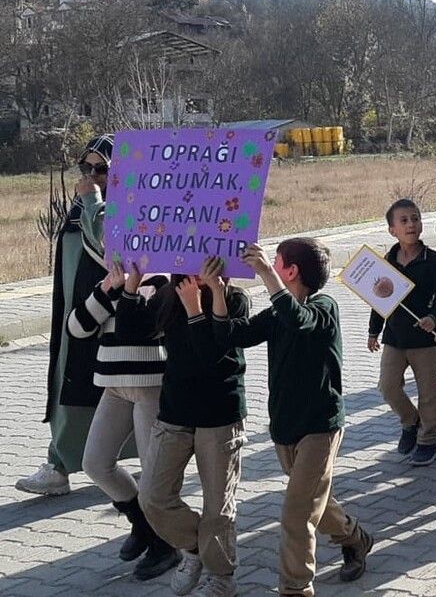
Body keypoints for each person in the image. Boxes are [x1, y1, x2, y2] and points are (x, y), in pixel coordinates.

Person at [211, 238, 374, 595]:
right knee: (314, 500)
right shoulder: (276, 312)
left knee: (296, 515)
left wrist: (266, 274)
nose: (268, 264)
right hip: (285, 428)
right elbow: (230, 335)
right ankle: (355, 537)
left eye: (276, 261)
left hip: (320, 427)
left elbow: (299, 320)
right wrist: (217, 292)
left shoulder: (323, 306)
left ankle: (295, 589)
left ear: (290, 270)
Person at [123, 257, 251, 597]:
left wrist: (197, 307)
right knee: (152, 496)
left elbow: (215, 359)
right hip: (175, 414)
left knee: (217, 507)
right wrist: (132, 285)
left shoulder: (234, 299)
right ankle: (196, 550)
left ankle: (222, 578)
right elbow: (132, 330)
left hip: (219, 416)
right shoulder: (167, 294)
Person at [69, 260, 178, 581]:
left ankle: (165, 543)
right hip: (113, 387)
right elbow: (77, 327)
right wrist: (106, 289)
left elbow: (143, 327)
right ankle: (141, 523)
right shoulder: (108, 282)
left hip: (150, 387)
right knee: (95, 463)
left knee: (152, 473)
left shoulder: (163, 281)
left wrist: (133, 286)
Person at [19, 135, 115, 497]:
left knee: (117, 393)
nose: (91, 175)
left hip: (108, 314)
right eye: (85, 167)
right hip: (75, 313)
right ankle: (59, 464)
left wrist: (94, 199)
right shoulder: (82, 206)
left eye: (101, 169)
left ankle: (64, 463)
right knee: (69, 385)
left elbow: (110, 245)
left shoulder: (117, 206)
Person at [368, 199, 436, 466]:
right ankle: (410, 421)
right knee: (388, 387)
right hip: (394, 338)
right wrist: (373, 331)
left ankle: (429, 441)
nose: (411, 225)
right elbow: (378, 299)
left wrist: (433, 317)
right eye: (403, 220)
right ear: (392, 229)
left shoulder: (433, 260)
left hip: (425, 340)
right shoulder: (387, 262)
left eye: (415, 218)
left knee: (429, 392)